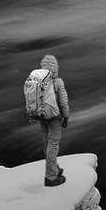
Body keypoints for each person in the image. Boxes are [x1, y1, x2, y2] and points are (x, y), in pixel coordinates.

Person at [36, 53, 70, 186]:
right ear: (56, 67)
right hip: (55, 118)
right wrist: (66, 117)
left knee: (47, 143)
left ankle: (53, 168)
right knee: (53, 145)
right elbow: (63, 102)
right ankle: (51, 177)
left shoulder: (38, 81)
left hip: (41, 116)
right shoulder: (58, 82)